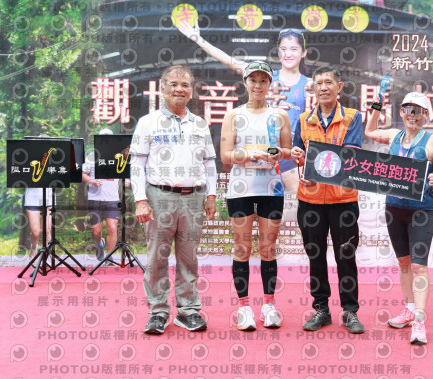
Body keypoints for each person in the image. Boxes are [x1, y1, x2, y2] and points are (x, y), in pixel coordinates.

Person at [130, 65, 218, 335]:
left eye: (185, 84)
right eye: (174, 84)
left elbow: (209, 163)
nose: (179, 89)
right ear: (162, 88)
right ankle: (158, 311)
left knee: (188, 257)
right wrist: (140, 200)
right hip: (159, 197)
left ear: (192, 90)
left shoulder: (200, 124)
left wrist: (212, 195)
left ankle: (188, 310)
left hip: (194, 198)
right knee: (157, 257)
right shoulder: (148, 122)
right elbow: (137, 164)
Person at [178, 23, 309, 192]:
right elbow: (227, 59)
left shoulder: (311, 85)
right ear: (278, 52)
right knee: (255, 205)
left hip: (289, 160)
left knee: (295, 207)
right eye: (283, 49)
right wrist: (198, 39)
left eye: (294, 49)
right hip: (255, 159)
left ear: (303, 52)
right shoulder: (263, 76)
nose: (288, 54)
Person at [365, 91, 433, 345]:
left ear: (426, 115)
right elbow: (370, 131)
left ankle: (420, 319)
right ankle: (409, 309)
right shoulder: (394, 136)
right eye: (409, 110)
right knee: (403, 263)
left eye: (418, 111)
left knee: (419, 266)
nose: (413, 115)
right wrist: (377, 104)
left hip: (421, 211)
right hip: (394, 208)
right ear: (401, 112)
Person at [291, 65, 365, 334]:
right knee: (315, 255)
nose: (323, 87)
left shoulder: (352, 118)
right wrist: (299, 160)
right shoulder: (303, 120)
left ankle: (350, 310)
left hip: (343, 199)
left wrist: (315, 170)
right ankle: (321, 309)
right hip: (310, 200)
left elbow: (350, 157)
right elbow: (301, 156)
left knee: (346, 255)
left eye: (328, 82)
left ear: (339, 87)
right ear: (313, 88)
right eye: (319, 83)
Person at [220, 61, 292, 331]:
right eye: (253, 80)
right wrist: (252, 155)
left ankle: (269, 306)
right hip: (241, 189)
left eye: (263, 80)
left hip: (271, 188)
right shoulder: (233, 115)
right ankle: (244, 307)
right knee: (242, 248)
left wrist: (278, 154)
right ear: (245, 83)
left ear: (270, 84)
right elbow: (226, 155)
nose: (258, 85)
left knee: (268, 248)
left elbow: (287, 151)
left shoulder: (280, 115)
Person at [82, 128, 121, 264]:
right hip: (95, 198)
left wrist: (127, 180)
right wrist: (92, 181)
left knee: (112, 228)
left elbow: (126, 172)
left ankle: (109, 256)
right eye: (103, 137)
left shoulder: (118, 156)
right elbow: (83, 174)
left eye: (108, 138)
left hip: (112, 198)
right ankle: (100, 245)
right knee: (96, 231)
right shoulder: (92, 156)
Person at [24, 187, 52, 258]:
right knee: (36, 233)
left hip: (48, 198)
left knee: (47, 230)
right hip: (32, 199)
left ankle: (46, 255)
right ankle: (34, 247)